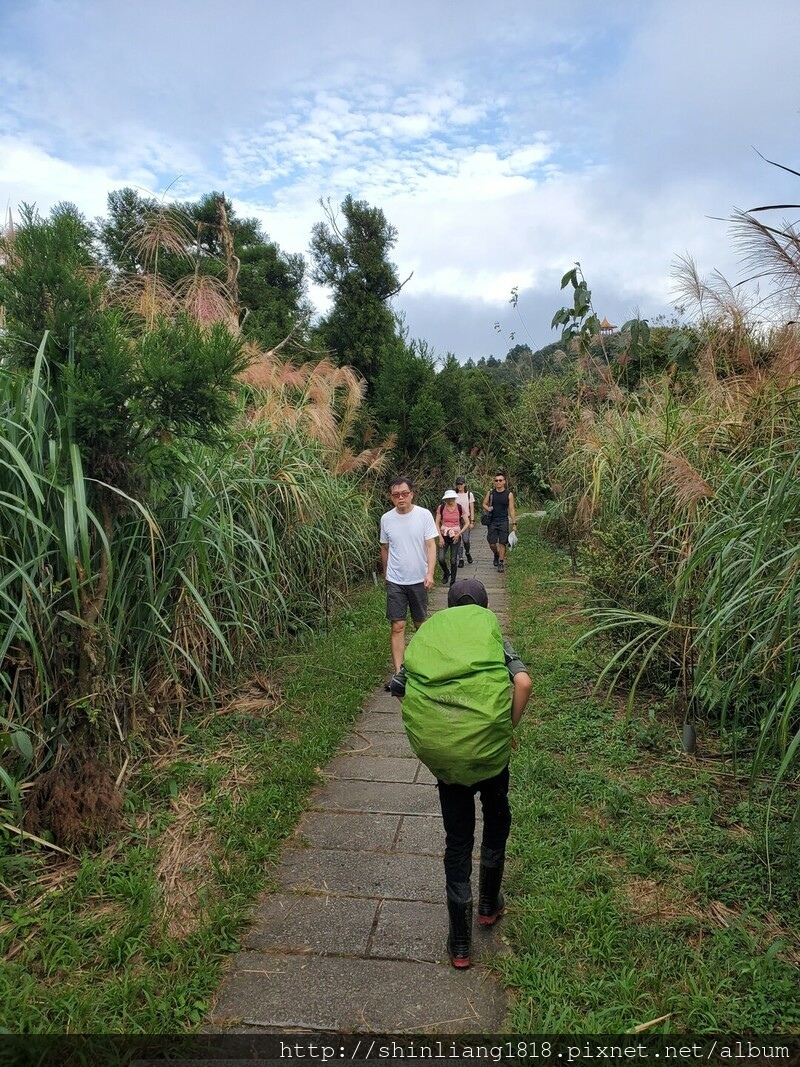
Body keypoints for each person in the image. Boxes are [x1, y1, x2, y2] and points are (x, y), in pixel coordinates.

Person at [389, 578, 532, 970]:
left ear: (450, 609)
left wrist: (433, 722)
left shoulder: (429, 640)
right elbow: (523, 682)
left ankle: (460, 943)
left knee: (457, 839)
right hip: (490, 755)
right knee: (497, 818)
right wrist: (507, 730)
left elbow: (398, 686)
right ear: (483, 608)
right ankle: (488, 905)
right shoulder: (493, 636)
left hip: (449, 762)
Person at [379, 476, 438, 676]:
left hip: (419, 579)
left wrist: (430, 573)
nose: (401, 498)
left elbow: (431, 545)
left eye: (404, 493)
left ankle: (423, 667)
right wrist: (386, 575)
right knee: (397, 625)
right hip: (396, 580)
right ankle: (399, 673)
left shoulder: (423, 515)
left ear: (411, 494)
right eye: (396, 495)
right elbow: (385, 548)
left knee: (420, 624)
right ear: (391, 497)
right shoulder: (386, 519)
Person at [482, 471, 517, 573]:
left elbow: (512, 509)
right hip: (492, 521)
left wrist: (514, 523)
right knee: (492, 543)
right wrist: (488, 508)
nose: (498, 482)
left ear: (504, 482)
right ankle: (496, 554)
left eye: (500, 480)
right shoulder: (491, 493)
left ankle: (501, 562)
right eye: (496, 480)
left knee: (502, 542)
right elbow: (484, 504)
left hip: (503, 521)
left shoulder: (509, 494)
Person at [434, 489, 469, 587]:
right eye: (448, 499)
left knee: (453, 559)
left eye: (452, 498)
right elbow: (436, 522)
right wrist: (440, 537)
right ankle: (446, 572)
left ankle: (453, 581)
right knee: (441, 558)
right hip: (444, 535)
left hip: (455, 536)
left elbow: (467, 523)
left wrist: (459, 534)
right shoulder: (441, 508)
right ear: (445, 499)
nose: (450, 500)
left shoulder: (459, 508)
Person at [454, 476, 475, 567]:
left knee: (466, 539)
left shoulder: (469, 494)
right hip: (456, 519)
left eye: (461, 484)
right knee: (459, 539)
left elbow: (472, 508)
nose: (459, 486)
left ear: (464, 484)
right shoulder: (454, 495)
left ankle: (467, 552)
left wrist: (472, 521)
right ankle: (461, 558)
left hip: (466, 518)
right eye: (458, 484)